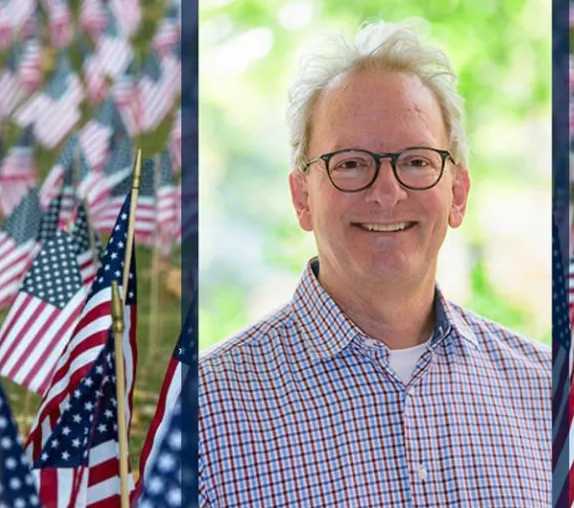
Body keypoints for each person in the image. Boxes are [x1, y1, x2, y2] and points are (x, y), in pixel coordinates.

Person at [198, 20, 551, 507]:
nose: (387, 192)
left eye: (417, 161)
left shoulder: (551, 396)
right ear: (302, 198)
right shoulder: (202, 411)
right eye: (350, 163)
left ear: (458, 193)